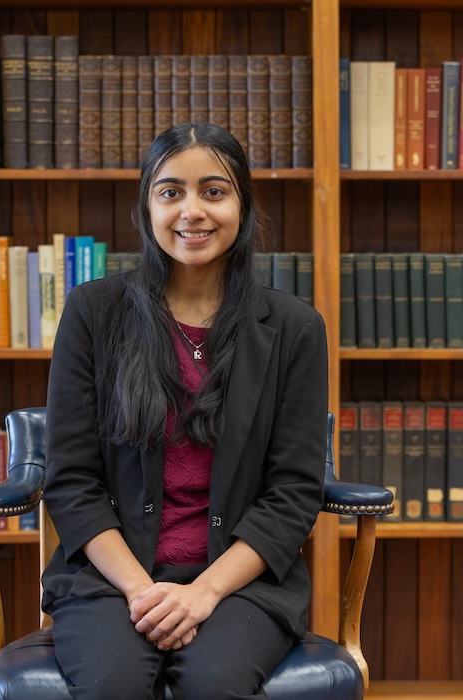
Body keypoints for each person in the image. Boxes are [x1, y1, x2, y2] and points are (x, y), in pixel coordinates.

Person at [42, 122, 329, 699]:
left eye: (213, 191)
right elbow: (72, 481)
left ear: (242, 205)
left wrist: (202, 593)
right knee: (113, 684)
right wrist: (142, 590)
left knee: (213, 684)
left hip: (242, 583)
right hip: (112, 578)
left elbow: (293, 492)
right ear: (147, 206)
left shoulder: (295, 328)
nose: (191, 211)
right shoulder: (93, 313)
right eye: (170, 191)